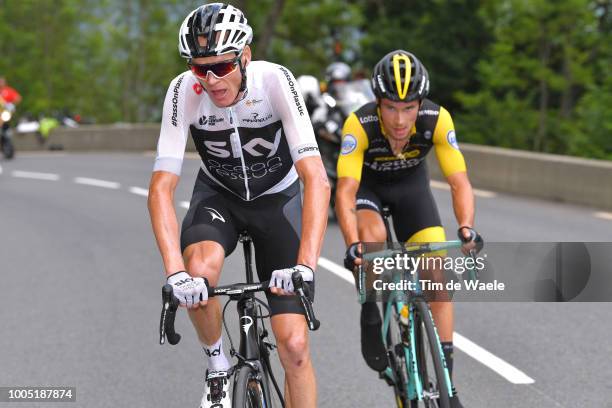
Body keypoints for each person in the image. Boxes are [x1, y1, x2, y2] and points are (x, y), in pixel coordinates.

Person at [148, 4, 329, 408]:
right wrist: (175, 273)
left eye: (222, 66)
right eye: (200, 68)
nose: (211, 80)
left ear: (245, 56)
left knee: (295, 346)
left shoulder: (275, 81)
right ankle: (217, 366)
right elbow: (162, 187)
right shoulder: (183, 92)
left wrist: (306, 267)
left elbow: (316, 178)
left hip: (277, 200)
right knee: (199, 272)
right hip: (219, 197)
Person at [335, 50, 482, 408]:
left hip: (411, 190)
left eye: (409, 107)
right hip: (369, 190)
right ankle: (372, 307)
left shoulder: (437, 119)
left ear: (421, 103)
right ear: (377, 103)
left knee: (437, 274)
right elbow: (345, 191)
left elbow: (459, 181)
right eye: (390, 107)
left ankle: (447, 382)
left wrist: (465, 228)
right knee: (373, 241)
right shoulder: (359, 124)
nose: (400, 120)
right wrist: (353, 245)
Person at [0, 76, 22, 157]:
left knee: (7, 126)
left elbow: (18, 98)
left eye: (2, 81)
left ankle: (6, 139)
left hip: (4, 114)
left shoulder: (8, 90)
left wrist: (12, 104)